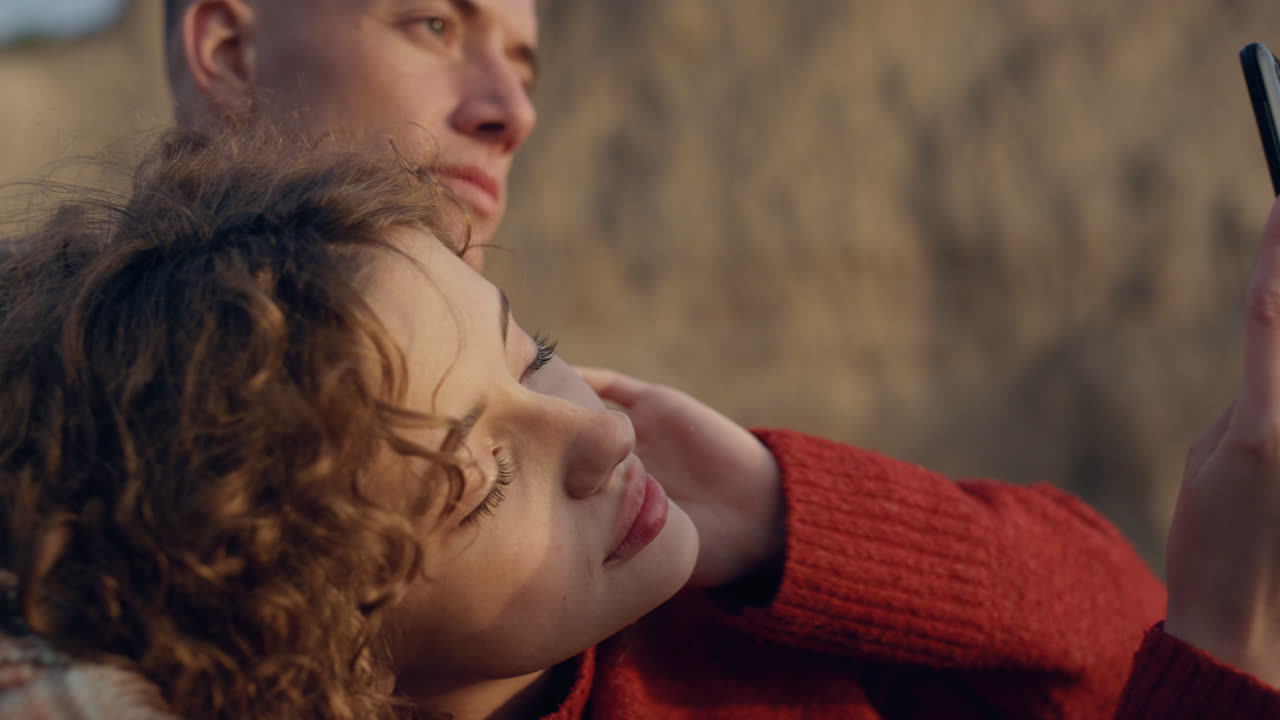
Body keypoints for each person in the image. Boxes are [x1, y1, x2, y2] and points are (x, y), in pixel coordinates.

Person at [0, 131, 1274, 720]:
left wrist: (791, 521)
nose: (599, 435)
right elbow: (1168, 651)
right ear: (310, 642)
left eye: (527, 348)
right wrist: (1222, 639)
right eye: (474, 481)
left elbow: (1108, 637)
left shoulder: (718, 589)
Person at [152, 0, 1178, 715]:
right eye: (434, 23)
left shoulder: (644, 529)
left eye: (528, 353)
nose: (513, 112)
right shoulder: (87, 542)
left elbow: (1135, 652)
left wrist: (788, 520)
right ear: (230, 50)